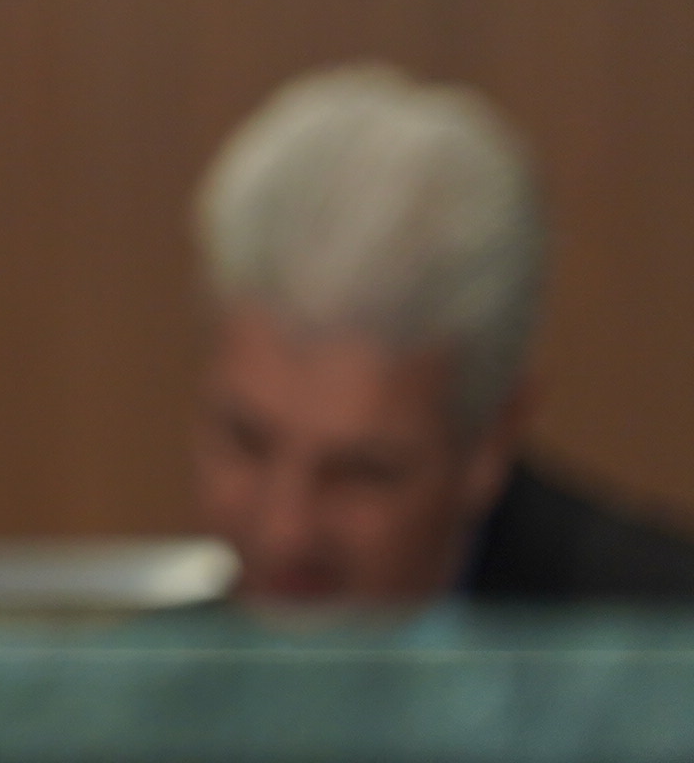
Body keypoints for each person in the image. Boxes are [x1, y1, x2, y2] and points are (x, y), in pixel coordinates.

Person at [193, 64, 694, 607]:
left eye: (362, 473)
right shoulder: (151, 653)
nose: (284, 534)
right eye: (246, 444)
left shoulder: (660, 636)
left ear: (493, 438)